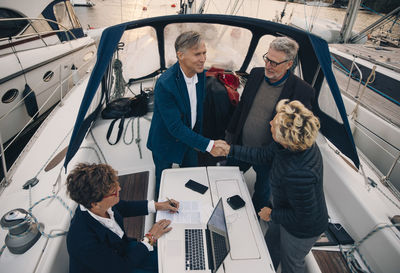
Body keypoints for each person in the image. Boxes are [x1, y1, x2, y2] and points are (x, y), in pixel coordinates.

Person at [220, 100, 328, 273]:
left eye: (274, 123)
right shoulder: (291, 145)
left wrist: (272, 214)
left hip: (303, 229)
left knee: (291, 264)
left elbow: (302, 217)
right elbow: (263, 155)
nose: (270, 122)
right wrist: (230, 150)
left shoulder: (300, 173)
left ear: (285, 136)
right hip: (285, 209)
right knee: (271, 245)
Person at [225, 36, 315, 213]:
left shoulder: (303, 91)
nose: (268, 66)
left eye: (274, 63)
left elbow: (297, 133)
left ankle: (255, 222)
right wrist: (230, 134)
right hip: (240, 146)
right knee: (227, 181)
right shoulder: (256, 74)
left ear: (289, 64)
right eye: (267, 59)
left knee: (261, 194)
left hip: (269, 157)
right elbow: (242, 107)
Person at [147, 31, 224, 199]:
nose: (203, 59)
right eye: (197, 54)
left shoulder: (201, 73)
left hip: (189, 141)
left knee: (191, 178)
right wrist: (208, 145)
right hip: (164, 142)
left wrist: (198, 140)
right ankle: (162, 210)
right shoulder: (165, 84)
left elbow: (197, 110)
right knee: (163, 182)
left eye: (204, 53)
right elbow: (175, 127)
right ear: (180, 55)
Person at [66, 163, 179, 273]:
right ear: (95, 204)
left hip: (122, 251)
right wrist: (150, 237)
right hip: (117, 267)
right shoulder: (83, 242)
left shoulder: (98, 204)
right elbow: (121, 268)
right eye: (113, 191)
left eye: (116, 184)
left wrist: (158, 205)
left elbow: (124, 207)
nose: (119, 188)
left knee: (171, 261)